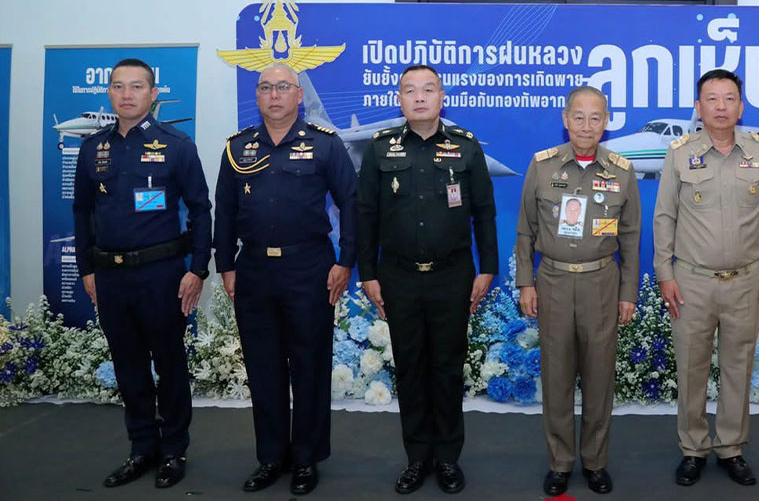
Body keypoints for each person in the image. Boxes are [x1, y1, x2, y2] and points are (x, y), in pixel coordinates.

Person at [213, 63, 356, 495]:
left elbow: (351, 203)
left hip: (309, 268)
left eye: (283, 87)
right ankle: (271, 456)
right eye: (266, 88)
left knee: (310, 366)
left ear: (298, 95)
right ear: (257, 96)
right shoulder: (238, 149)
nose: (274, 95)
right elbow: (224, 209)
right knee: (263, 367)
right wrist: (226, 265)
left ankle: (307, 458)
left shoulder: (324, 145)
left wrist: (345, 261)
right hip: (254, 270)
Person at [357, 64, 498, 495]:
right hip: (397, 276)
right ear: (399, 99)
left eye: (428, 90)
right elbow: (366, 214)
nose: (419, 97)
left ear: (441, 98)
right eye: (409, 91)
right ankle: (418, 457)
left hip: (451, 275)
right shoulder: (380, 148)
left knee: (447, 368)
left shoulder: (466, 146)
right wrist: (368, 274)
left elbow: (484, 214)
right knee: (412, 368)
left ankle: (448, 458)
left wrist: (487, 267)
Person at [72, 58, 212, 489]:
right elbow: (82, 210)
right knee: (128, 366)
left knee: (168, 365)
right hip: (110, 277)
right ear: (110, 94)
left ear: (154, 94)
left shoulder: (176, 143)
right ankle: (141, 449)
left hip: (161, 274)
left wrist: (198, 270)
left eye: (137, 87)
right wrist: (86, 269)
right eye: (118, 86)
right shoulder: (93, 146)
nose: (127, 94)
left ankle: (173, 451)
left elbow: (201, 208)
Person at [653, 69, 759, 487]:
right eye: (712, 99)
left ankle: (731, 447)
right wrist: (664, 274)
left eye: (730, 99)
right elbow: (664, 217)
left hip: (746, 281)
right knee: (691, 368)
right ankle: (693, 448)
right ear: (698, 107)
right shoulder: (679, 154)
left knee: (738, 367)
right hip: (691, 282)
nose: (721, 106)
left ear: (741, 106)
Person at [516, 86, 640, 496]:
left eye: (595, 118)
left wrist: (628, 294)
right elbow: (525, 231)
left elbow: (631, 238)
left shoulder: (622, 170)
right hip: (551, 282)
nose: (587, 126)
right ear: (565, 119)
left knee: (600, 377)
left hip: (601, 283)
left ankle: (596, 461)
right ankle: (560, 461)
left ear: (606, 122)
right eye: (579, 117)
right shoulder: (542, 166)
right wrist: (525, 282)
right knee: (556, 378)